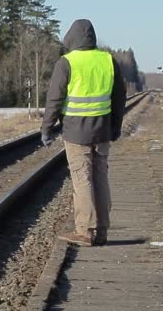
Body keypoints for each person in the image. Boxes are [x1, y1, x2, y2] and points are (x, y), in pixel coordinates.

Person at [40, 19, 126, 247]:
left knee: (82, 179)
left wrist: (47, 128)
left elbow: (55, 99)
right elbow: (119, 98)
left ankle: (85, 231)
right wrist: (116, 127)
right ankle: (102, 230)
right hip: (102, 130)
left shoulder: (67, 62)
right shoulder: (108, 60)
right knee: (100, 177)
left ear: (71, 38)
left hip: (76, 132)